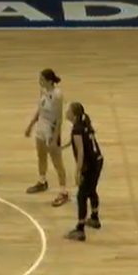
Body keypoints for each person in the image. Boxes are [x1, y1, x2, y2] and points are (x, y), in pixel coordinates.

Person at [25, 69, 70, 207]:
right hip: (41, 127)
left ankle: (63, 191)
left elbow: (59, 118)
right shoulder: (43, 91)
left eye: (42, 79)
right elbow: (39, 109)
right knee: (41, 156)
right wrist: (31, 125)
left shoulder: (57, 95)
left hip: (51, 129)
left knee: (57, 162)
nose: (40, 81)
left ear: (50, 81)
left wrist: (55, 138)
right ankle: (42, 181)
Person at [63, 102, 104, 241]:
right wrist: (62, 147)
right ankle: (94, 218)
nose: (66, 112)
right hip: (98, 160)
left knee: (81, 195)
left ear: (74, 115)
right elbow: (77, 142)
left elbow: (80, 152)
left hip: (90, 164)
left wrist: (78, 171)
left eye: (68, 111)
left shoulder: (77, 130)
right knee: (91, 190)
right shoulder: (83, 125)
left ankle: (80, 229)